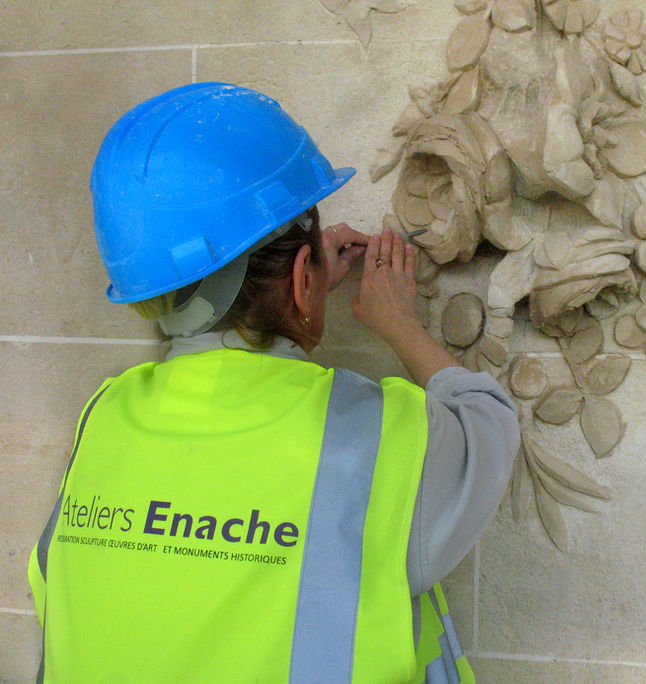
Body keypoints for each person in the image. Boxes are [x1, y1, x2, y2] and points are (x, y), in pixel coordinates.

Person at [27, 82, 520, 683]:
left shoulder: (104, 419)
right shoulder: (368, 434)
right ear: (299, 277)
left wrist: (296, 292)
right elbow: (487, 430)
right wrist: (398, 324)